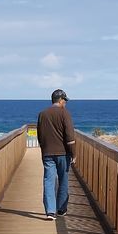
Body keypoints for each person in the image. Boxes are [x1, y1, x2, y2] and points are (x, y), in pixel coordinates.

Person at [35, 89, 76, 219]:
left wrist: (44, 149)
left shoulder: (42, 114)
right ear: (60, 100)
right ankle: (61, 209)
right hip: (63, 154)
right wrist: (74, 154)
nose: (66, 103)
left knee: (48, 180)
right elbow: (70, 137)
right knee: (63, 180)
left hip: (47, 153)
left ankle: (50, 211)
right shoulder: (65, 114)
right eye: (65, 101)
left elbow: (40, 135)